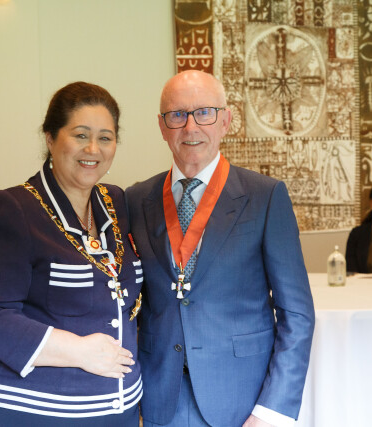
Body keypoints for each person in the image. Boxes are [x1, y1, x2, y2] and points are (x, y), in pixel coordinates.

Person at [125, 70, 315, 427]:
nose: (191, 127)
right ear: (162, 126)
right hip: (157, 398)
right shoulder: (135, 199)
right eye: (177, 115)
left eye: (204, 113)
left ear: (225, 121)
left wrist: (272, 410)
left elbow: (297, 314)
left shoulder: (265, 196)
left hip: (241, 399)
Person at [0, 82, 143, 426]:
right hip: (34, 410)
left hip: (117, 409)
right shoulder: (13, 208)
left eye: (105, 138)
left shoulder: (117, 202)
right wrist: (78, 350)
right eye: (80, 135)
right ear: (50, 138)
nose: (93, 148)